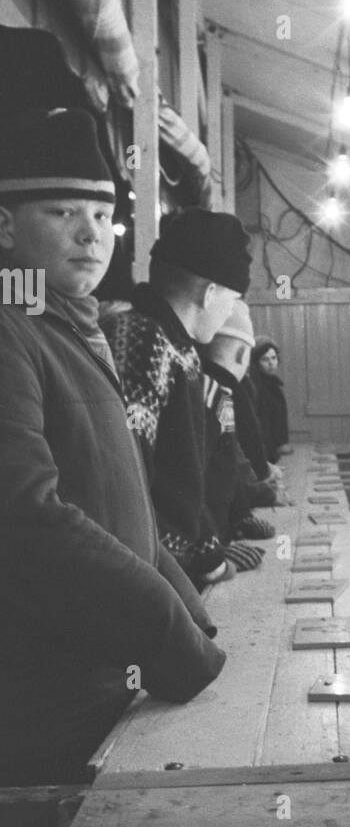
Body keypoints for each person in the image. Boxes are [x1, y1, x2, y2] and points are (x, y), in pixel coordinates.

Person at [0, 108, 226, 784]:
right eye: (63, 212)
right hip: (45, 702)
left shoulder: (71, 327)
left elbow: (119, 504)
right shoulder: (12, 330)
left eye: (102, 217)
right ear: (6, 226)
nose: (90, 235)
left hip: (105, 679)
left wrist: (192, 612)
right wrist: (168, 632)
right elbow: (28, 519)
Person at [102, 207, 252, 589]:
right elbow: (133, 467)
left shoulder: (178, 349)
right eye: (232, 300)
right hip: (147, 577)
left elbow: (184, 477)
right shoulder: (140, 340)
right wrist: (202, 563)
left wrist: (209, 555)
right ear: (210, 293)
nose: (228, 314)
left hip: (170, 570)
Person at [199, 299, 278, 550]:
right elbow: (226, 463)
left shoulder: (207, 384)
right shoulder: (223, 392)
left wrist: (242, 515)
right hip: (209, 540)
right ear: (244, 354)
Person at [250, 336, 290, 463]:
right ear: (256, 362)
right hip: (262, 455)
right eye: (265, 359)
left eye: (273, 358)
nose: (271, 363)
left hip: (273, 452)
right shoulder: (255, 386)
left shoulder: (273, 386)